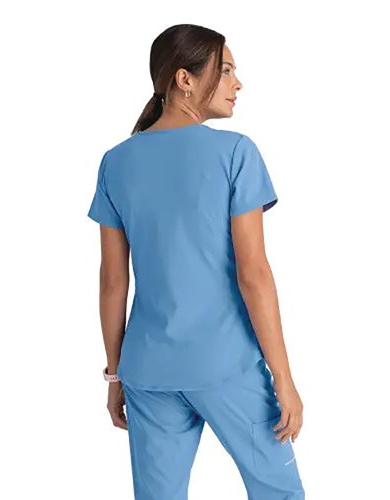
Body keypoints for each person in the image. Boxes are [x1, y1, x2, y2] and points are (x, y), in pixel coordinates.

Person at [87, 23, 305, 500]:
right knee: (280, 493)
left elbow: (112, 282)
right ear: (184, 79)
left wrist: (115, 374)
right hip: (226, 365)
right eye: (225, 71)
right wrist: (284, 379)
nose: (237, 83)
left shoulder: (115, 162)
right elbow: (254, 274)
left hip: (148, 370)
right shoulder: (235, 153)